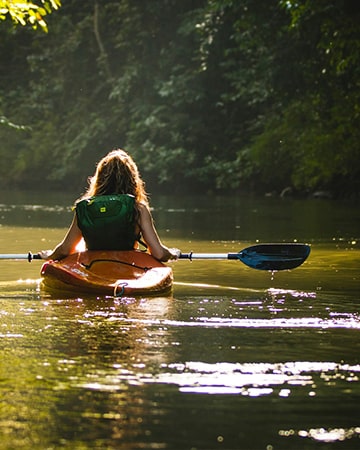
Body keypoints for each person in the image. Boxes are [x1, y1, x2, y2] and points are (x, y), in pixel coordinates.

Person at [39, 149, 179, 262]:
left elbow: (65, 249)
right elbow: (159, 254)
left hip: (93, 267)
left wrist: (50, 255)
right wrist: (172, 253)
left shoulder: (86, 208)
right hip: (128, 266)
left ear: (99, 178)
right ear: (132, 179)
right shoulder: (139, 209)